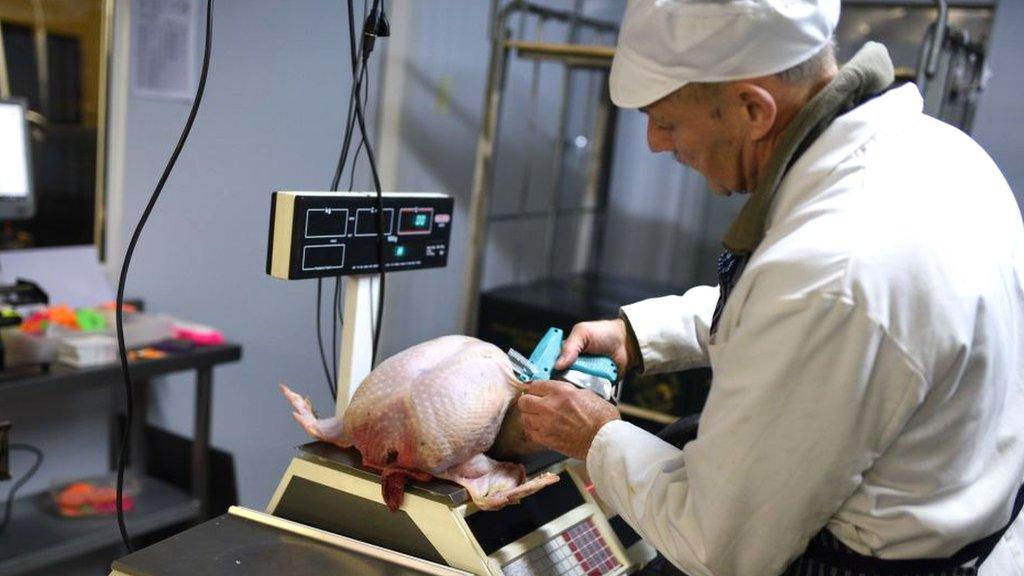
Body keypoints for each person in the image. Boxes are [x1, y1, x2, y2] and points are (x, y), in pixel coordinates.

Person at [516, 1, 1024, 575]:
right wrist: (641, 335)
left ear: (753, 110)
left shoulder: (835, 268)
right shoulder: (940, 152)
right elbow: (814, 328)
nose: (657, 143)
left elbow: (721, 545)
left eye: (667, 121)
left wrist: (596, 437)